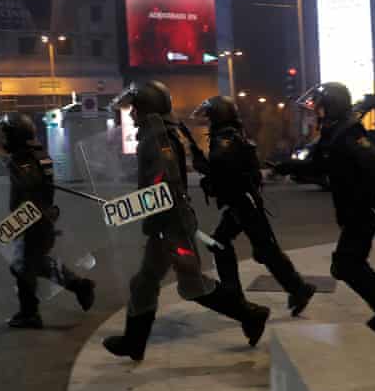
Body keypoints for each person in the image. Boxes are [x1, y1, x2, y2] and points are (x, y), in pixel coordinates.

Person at [103, 81, 270, 362]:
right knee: (144, 283)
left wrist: (126, 208)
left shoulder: (158, 139)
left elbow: (164, 188)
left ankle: (251, 314)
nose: (131, 114)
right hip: (163, 225)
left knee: (192, 286)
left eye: (134, 108)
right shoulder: (155, 136)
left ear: (146, 109)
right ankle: (134, 342)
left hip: (172, 225)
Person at [272, 82, 375, 334]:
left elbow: (373, 166)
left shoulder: (349, 133)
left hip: (363, 210)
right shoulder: (333, 132)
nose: (317, 113)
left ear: (332, 107)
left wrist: (360, 199)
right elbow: (319, 165)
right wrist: (287, 167)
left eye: (320, 108)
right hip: (354, 210)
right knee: (348, 263)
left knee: (347, 264)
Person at [190, 95, 316, 316]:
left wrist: (203, 165)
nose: (208, 121)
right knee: (234, 244)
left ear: (218, 116)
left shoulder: (226, 138)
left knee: (259, 249)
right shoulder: (230, 134)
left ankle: (293, 289)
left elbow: (223, 167)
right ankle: (292, 288)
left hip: (243, 202)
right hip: (241, 201)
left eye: (210, 116)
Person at [0, 113, 96, 329]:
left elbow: (30, 190)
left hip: (32, 220)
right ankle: (79, 286)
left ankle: (30, 314)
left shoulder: (24, 160)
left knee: (23, 267)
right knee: (32, 263)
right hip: (37, 218)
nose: (1, 140)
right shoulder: (34, 154)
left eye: (5, 135)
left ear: (16, 137)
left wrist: (19, 222)